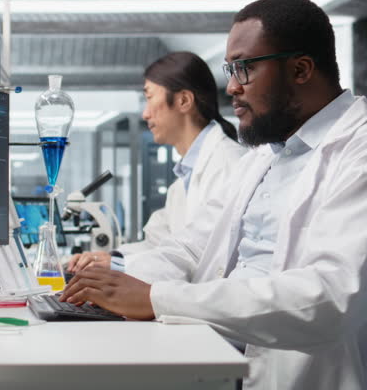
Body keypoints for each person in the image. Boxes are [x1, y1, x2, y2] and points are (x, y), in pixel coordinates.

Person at [61, 0, 367, 389]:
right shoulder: (262, 158)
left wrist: (157, 298)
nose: (232, 87)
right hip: (211, 355)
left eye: (244, 69)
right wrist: (112, 283)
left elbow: (328, 301)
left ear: (301, 69)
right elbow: (190, 249)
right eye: (230, 70)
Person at [66, 52, 246, 281]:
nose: (145, 113)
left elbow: (199, 253)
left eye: (150, 98)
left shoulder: (229, 164)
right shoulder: (183, 180)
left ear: (184, 101)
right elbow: (159, 244)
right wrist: (111, 258)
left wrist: (119, 265)